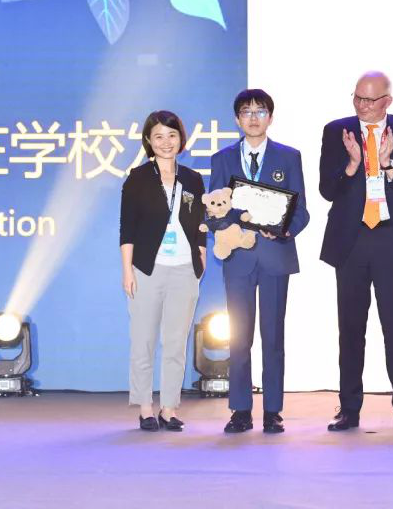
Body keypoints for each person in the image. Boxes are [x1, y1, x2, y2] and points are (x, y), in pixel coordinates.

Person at [319, 71, 393, 432]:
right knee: (350, 329)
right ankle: (349, 408)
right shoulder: (337, 131)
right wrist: (352, 165)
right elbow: (327, 190)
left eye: (370, 100)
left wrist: (389, 164)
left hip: (391, 238)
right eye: (358, 98)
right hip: (351, 240)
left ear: (387, 101)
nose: (362, 106)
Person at [209, 89, 309, 434]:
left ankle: (272, 410)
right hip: (238, 258)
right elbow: (214, 210)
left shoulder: (289, 157)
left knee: (273, 336)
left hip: (275, 256)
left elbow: (301, 210)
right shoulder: (222, 159)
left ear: (271, 117)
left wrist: (283, 229)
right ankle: (240, 409)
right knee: (239, 337)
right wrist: (229, 226)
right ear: (237, 119)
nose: (253, 118)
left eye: (260, 111)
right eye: (247, 112)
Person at [119, 110, 207, 432]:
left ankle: (169, 408)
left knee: (175, 343)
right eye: (158, 136)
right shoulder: (138, 178)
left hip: (184, 270)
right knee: (142, 341)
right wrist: (127, 271)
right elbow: (127, 229)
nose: (166, 142)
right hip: (147, 269)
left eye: (172, 135)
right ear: (148, 141)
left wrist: (201, 255)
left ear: (181, 139)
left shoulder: (193, 179)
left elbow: (201, 223)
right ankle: (145, 408)